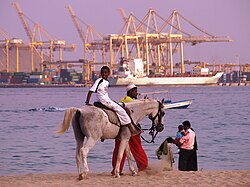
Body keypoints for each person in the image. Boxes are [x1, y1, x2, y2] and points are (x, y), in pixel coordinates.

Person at [85, 66, 140, 136]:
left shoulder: (107, 82)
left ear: (108, 73)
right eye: (102, 73)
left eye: (105, 72)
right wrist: (87, 102)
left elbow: (104, 93)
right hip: (103, 101)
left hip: (106, 99)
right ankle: (132, 130)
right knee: (121, 111)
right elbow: (91, 91)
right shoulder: (99, 80)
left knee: (117, 106)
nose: (104, 74)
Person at [111, 83, 148, 175]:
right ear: (130, 92)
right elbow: (133, 117)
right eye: (135, 91)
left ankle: (116, 169)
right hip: (129, 129)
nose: (136, 93)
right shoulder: (131, 102)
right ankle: (143, 166)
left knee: (118, 149)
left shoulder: (122, 100)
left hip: (120, 129)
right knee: (137, 147)